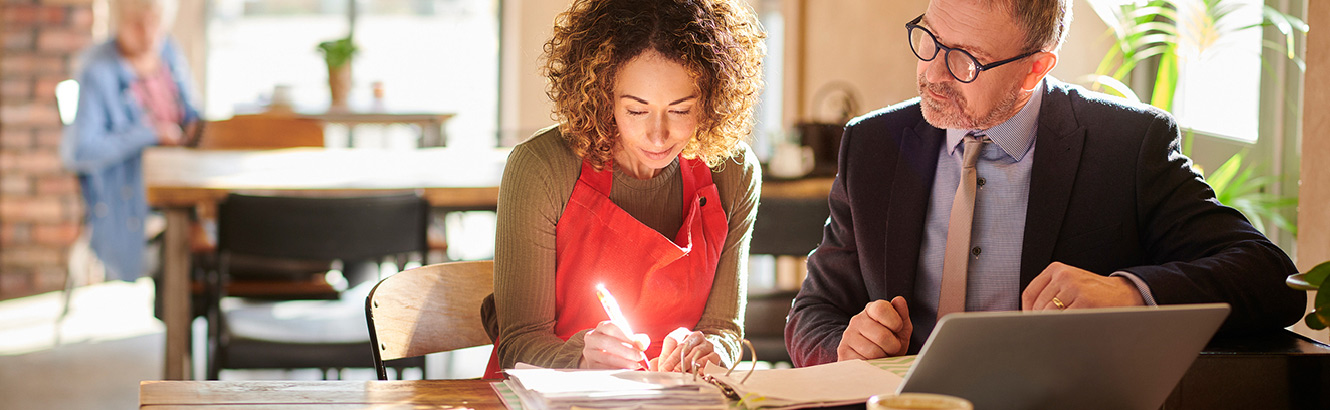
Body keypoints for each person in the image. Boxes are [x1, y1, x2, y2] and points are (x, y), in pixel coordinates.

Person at [784, 0, 1305, 367]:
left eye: (964, 59)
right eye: (929, 38)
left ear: (1034, 69)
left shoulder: (1126, 146)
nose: (933, 73)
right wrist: (845, 348)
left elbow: (1270, 279)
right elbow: (813, 313)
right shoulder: (872, 144)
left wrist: (1128, 293)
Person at [480, 0, 765, 377]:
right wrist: (582, 359)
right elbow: (519, 342)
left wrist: (713, 350)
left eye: (680, 110)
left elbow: (724, 328)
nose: (658, 134)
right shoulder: (542, 168)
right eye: (636, 110)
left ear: (712, 101)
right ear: (604, 96)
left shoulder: (732, 172)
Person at [60, 0, 200, 282]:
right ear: (119, 21)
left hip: (181, 182)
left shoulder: (168, 51)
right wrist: (151, 134)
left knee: (226, 223)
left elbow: (192, 112)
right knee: (191, 239)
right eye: (138, 23)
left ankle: (198, 305)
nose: (149, 33)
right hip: (126, 197)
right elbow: (79, 151)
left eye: (155, 23)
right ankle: (179, 308)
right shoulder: (97, 68)